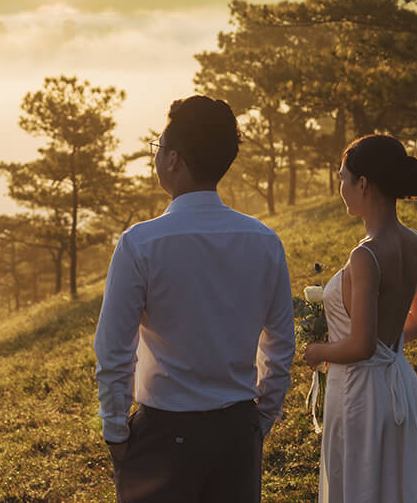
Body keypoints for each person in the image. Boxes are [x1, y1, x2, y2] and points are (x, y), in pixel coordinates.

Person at [94, 95, 295, 503]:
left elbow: (115, 350)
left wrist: (115, 430)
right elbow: (279, 345)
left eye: (159, 147)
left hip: (163, 436)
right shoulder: (263, 240)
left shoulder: (140, 244)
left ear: (174, 160)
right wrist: (262, 418)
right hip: (237, 432)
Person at [303, 134, 417, 503]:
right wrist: (386, 349)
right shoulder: (416, 242)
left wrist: (318, 350)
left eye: (343, 178)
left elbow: (361, 346)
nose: (341, 188)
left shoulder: (366, 256)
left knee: (359, 487)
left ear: (363, 183)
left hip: (358, 396)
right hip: (392, 388)